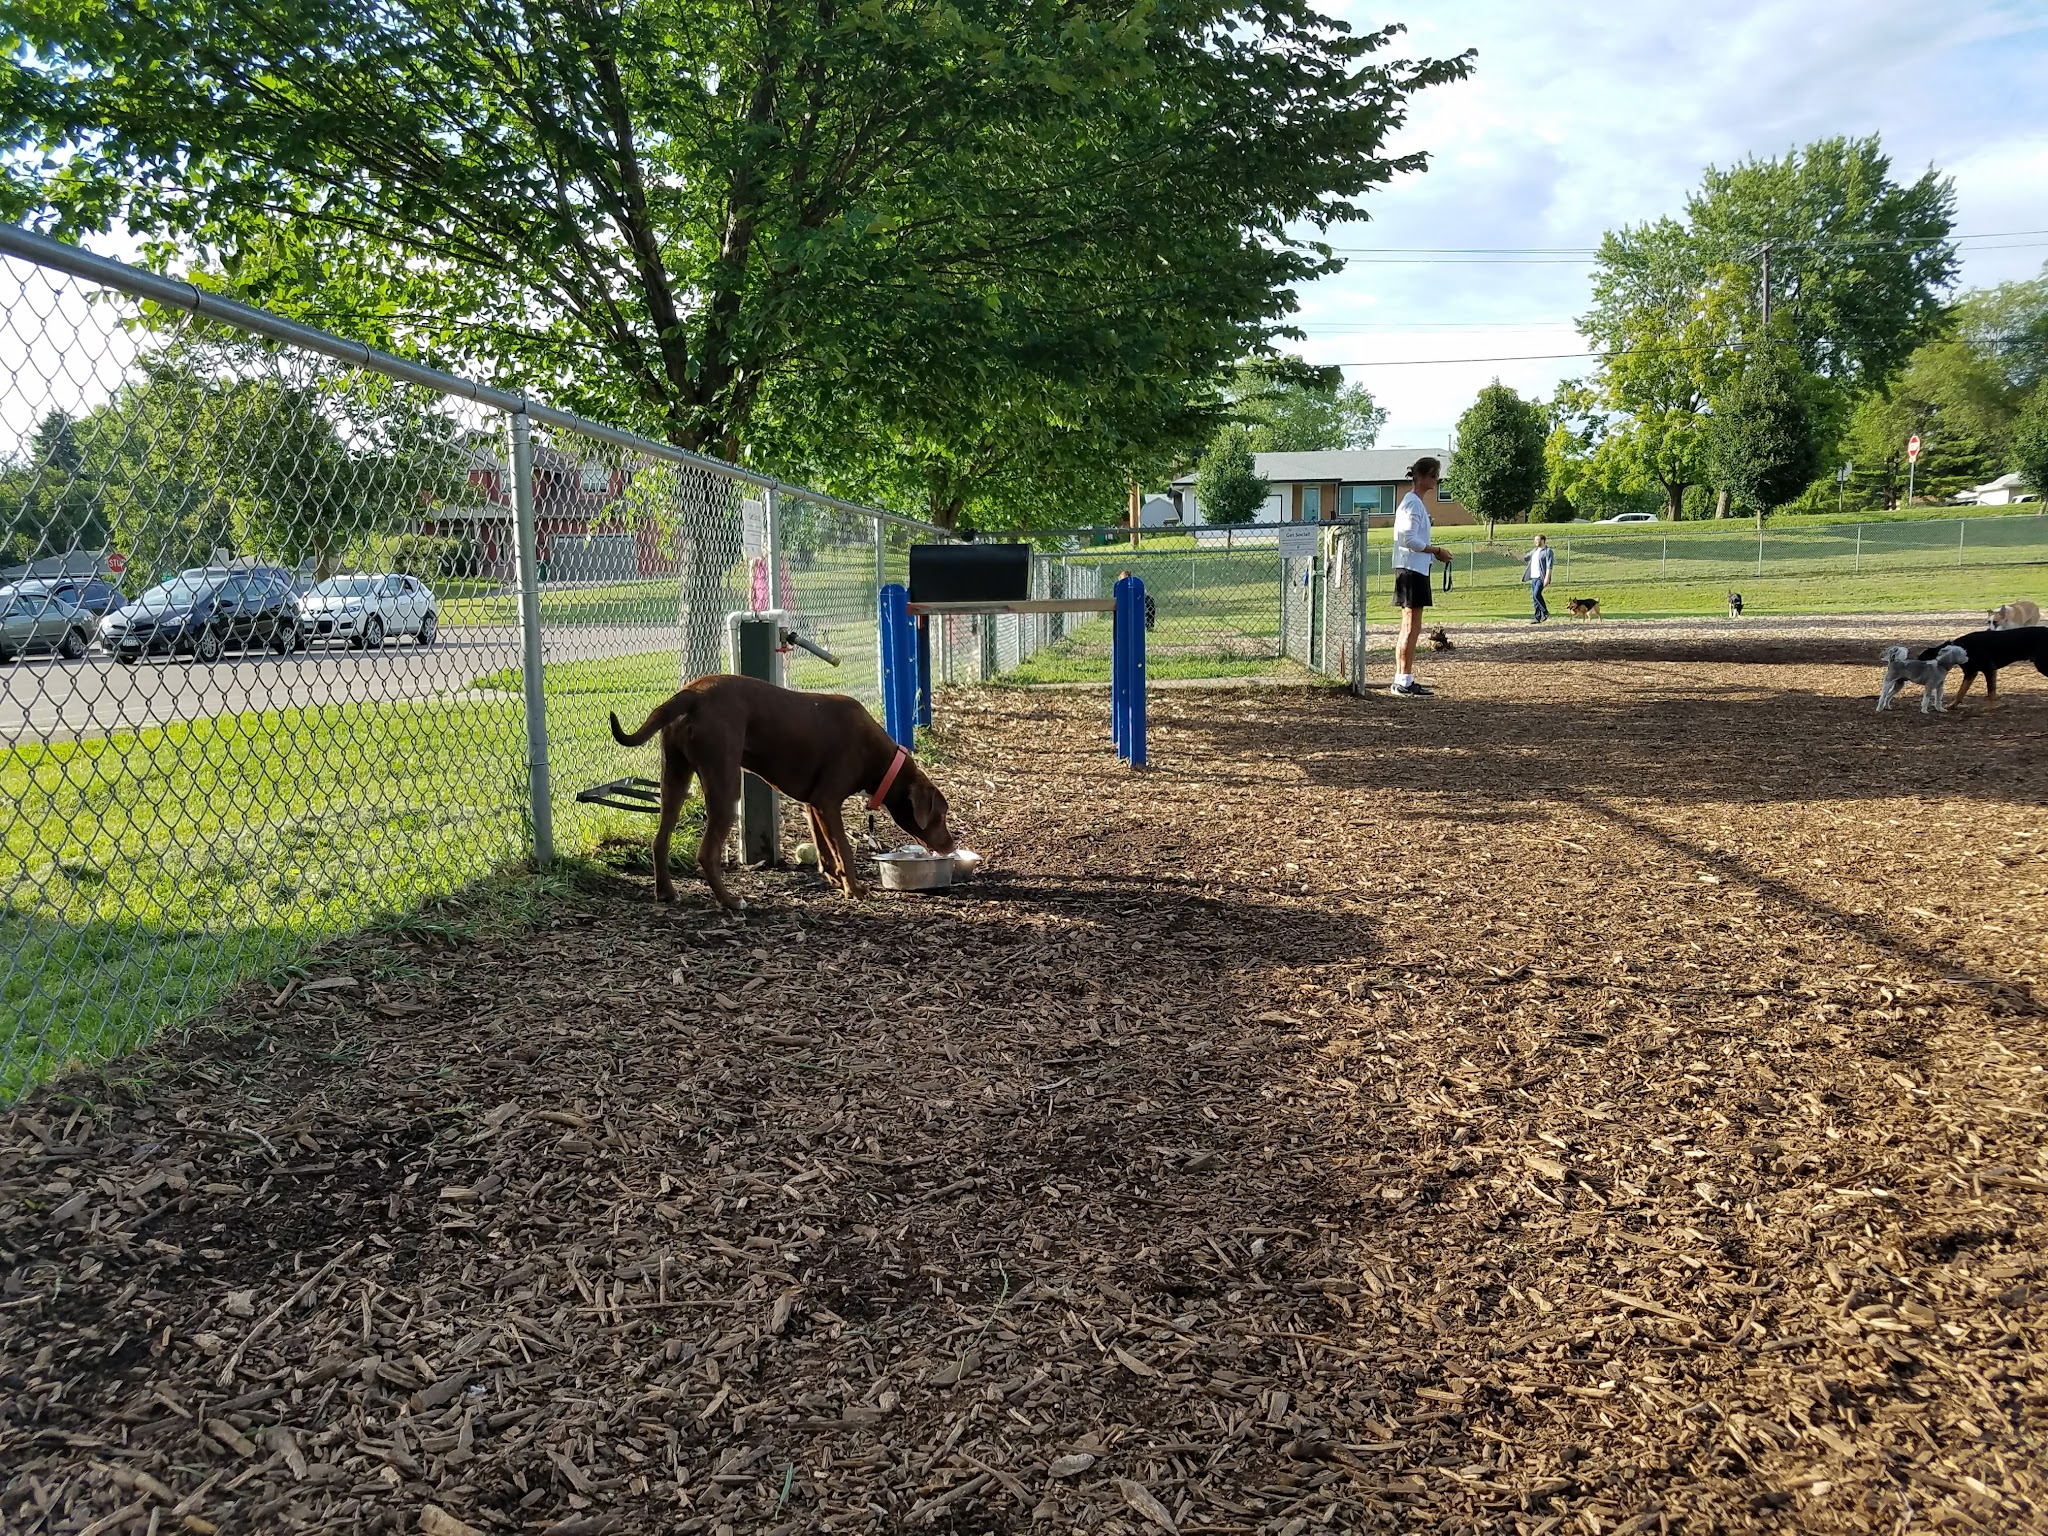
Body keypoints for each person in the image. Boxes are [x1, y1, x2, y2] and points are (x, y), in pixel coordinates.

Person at [1389, 456, 1453, 697]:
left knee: (1411, 627)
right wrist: (1436, 551)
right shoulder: (1413, 504)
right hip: (1411, 571)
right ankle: (1403, 681)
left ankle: (1403, 678)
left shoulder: (1412, 503)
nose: (1436, 480)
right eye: (1434, 475)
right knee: (1410, 627)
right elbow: (1409, 539)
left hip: (1414, 569)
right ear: (1423, 477)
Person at [1524, 533, 1554, 623]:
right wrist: (1512, 554)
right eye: (1535, 540)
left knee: (1536, 594)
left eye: (1538, 540)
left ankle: (1545, 612)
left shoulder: (1548, 551)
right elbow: (1525, 558)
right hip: (1533, 577)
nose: (1536, 542)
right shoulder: (1534, 551)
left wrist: (1547, 578)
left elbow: (1549, 566)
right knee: (1534, 597)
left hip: (1541, 577)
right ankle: (1537, 617)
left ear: (1543, 540)